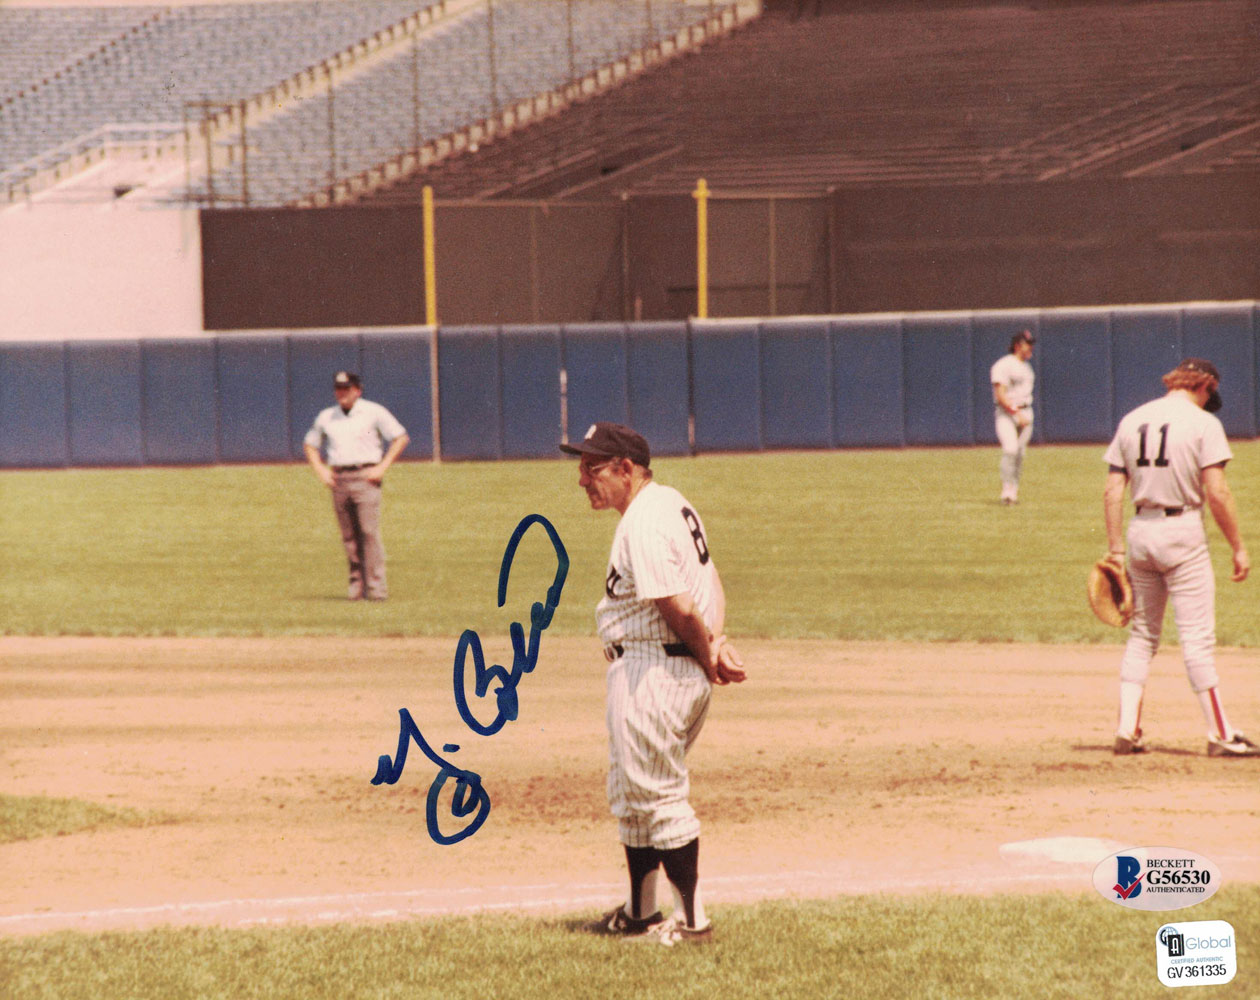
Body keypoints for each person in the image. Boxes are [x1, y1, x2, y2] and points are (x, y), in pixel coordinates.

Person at [560, 421, 746, 946]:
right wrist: (715, 641)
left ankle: (692, 924)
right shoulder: (670, 502)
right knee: (633, 793)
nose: (582, 479)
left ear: (626, 468)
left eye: (591, 468)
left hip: (656, 672)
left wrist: (707, 652)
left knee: (660, 797)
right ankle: (640, 912)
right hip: (665, 668)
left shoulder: (642, 521)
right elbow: (711, 581)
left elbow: (678, 605)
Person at [1103, 358, 1256, 757]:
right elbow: (1216, 492)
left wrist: (1116, 549)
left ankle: (1126, 729)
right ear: (1205, 385)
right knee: (1197, 640)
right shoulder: (1204, 424)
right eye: (1210, 394)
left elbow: (1113, 491)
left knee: (1142, 636)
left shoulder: (1132, 419)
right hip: (1182, 533)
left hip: (1140, 533)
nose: (1209, 402)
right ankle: (1220, 734)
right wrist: (1238, 546)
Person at [303, 371, 409, 601]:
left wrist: (382, 467)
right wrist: (321, 470)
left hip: (365, 476)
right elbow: (310, 444)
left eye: (346, 388)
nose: (342, 392)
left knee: (369, 533)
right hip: (339, 477)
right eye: (338, 388)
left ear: (357, 390)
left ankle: (376, 589)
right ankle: (357, 588)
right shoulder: (327, 416)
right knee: (349, 536)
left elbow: (400, 437)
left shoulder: (373, 412)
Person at [991, 329, 1036, 505]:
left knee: (1019, 455)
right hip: (1006, 414)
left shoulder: (1027, 367)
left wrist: (1023, 414)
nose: (1031, 347)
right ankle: (1006, 492)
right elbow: (1000, 395)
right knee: (1010, 449)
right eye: (1027, 344)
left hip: (1026, 411)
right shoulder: (1003, 365)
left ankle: (1013, 492)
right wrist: (1016, 413)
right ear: (1017, 346)